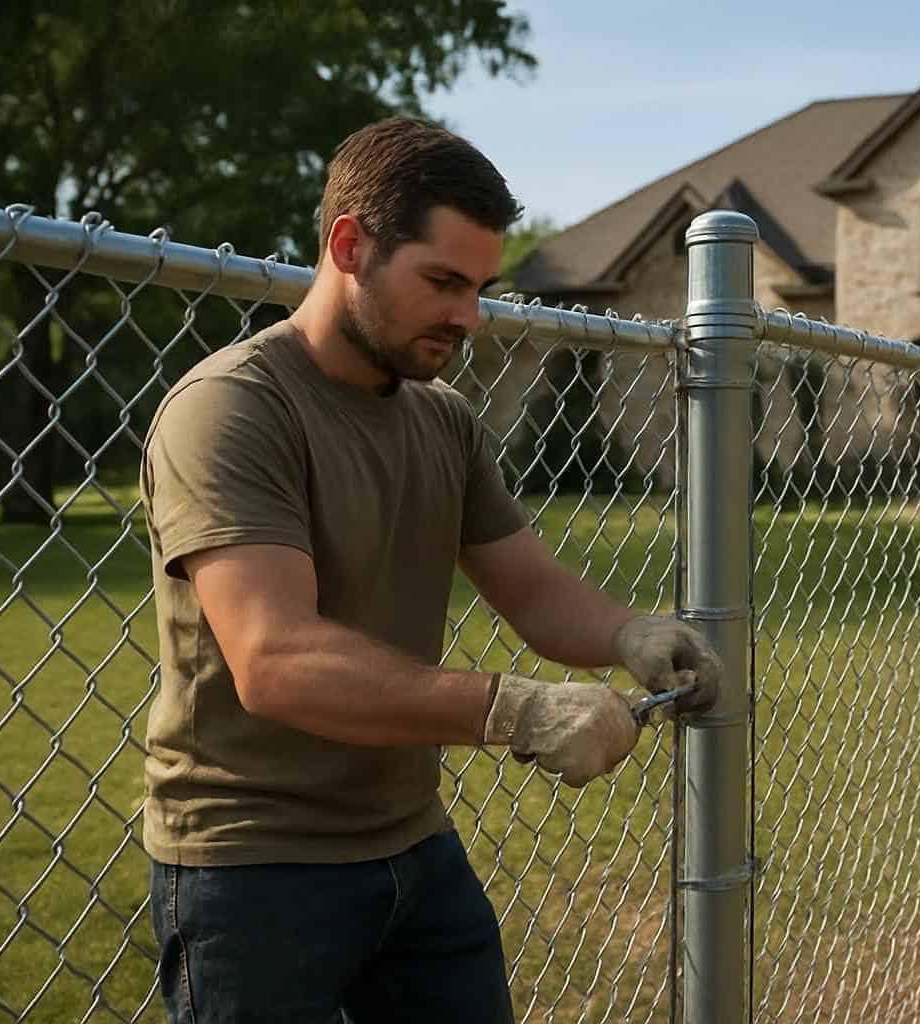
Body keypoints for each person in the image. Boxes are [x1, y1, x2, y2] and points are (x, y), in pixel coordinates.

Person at [138, 116, 722, 1024]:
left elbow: (528, 587)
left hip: (413, 846)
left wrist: (630, 634)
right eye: (443, 282)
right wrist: (512, 709)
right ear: (349, 246)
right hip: (252, 864)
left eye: (480, 287)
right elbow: (275, 659)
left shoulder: (441, 417)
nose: (468, 316)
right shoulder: (231, 409)